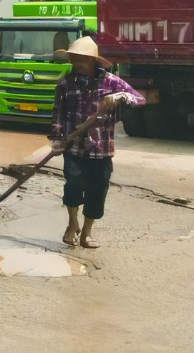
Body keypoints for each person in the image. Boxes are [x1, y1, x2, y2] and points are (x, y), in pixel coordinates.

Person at [49, 36, 146, 249]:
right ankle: (72, 223)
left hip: (101, 149)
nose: (76, 65)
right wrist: (57, 140)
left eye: (80, 60)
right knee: (73, 184)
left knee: (97, 190)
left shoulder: (111, 81)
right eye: (73, 60)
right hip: (73, 146)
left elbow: (140, 99)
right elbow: (58, 113)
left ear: (92, 61)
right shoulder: (65, 81)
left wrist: (121, 96)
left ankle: (86, 232)